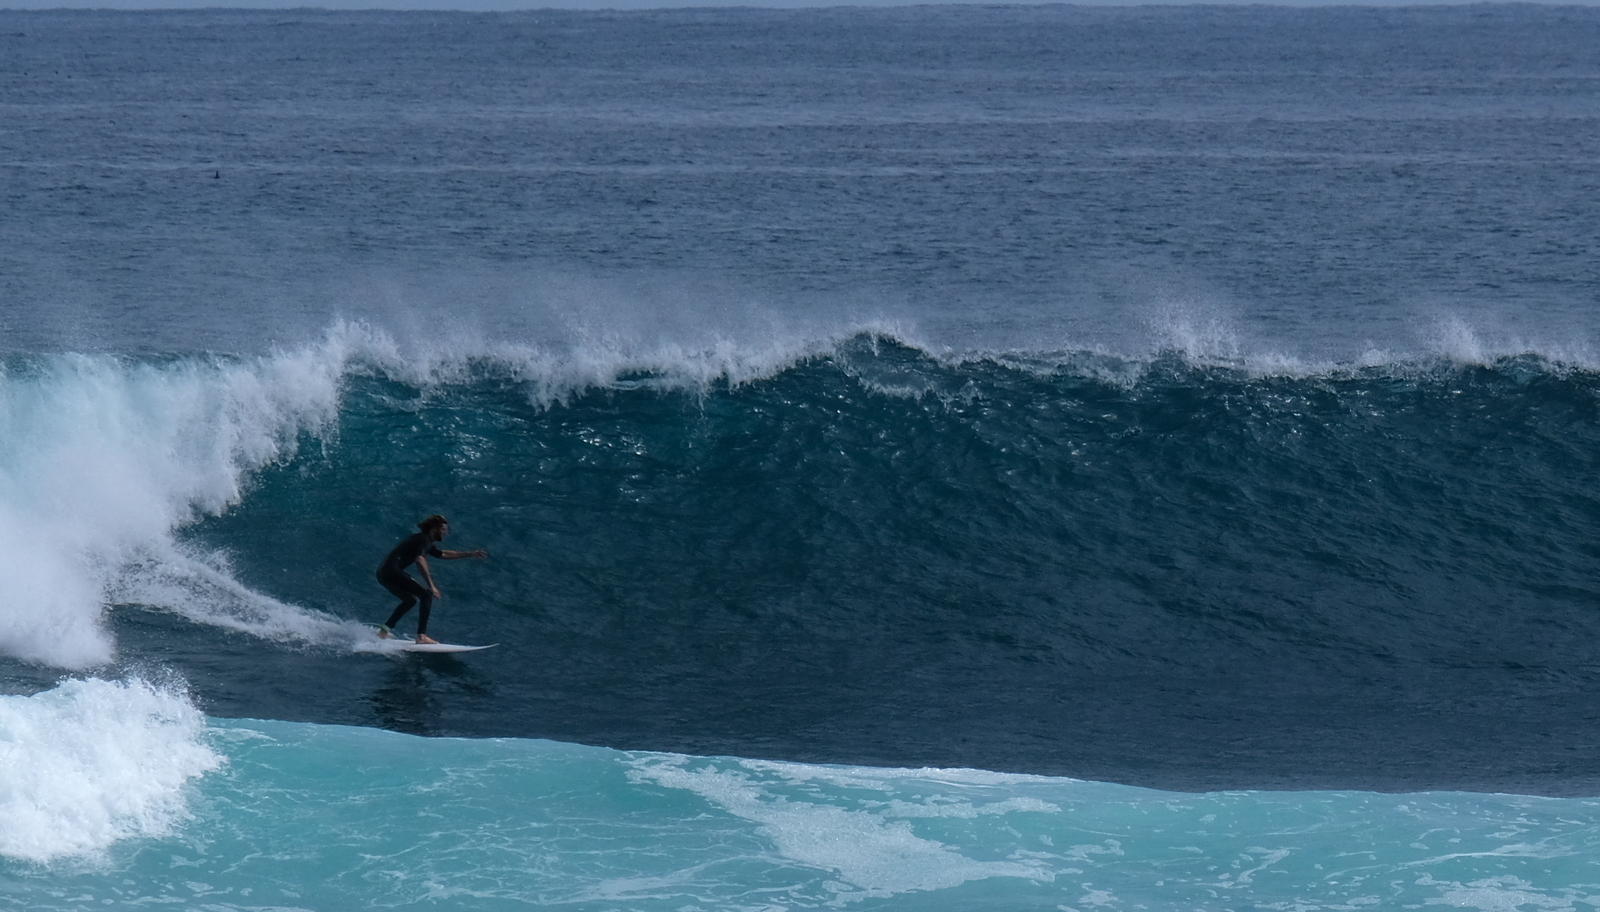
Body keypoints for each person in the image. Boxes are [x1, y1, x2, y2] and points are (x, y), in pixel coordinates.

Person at [375, 514, 488, 644]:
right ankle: (421, 636)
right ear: (434, 529)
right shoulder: (424, 540)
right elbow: (420, 560)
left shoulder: (423, 541)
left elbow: (443, 554)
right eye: (443, 529)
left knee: (410, 600)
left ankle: (383, 632)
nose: (446, 533)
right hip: (392, 573)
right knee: (426, 595)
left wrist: (470, 554)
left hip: (383, 574)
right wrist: (431, 585)